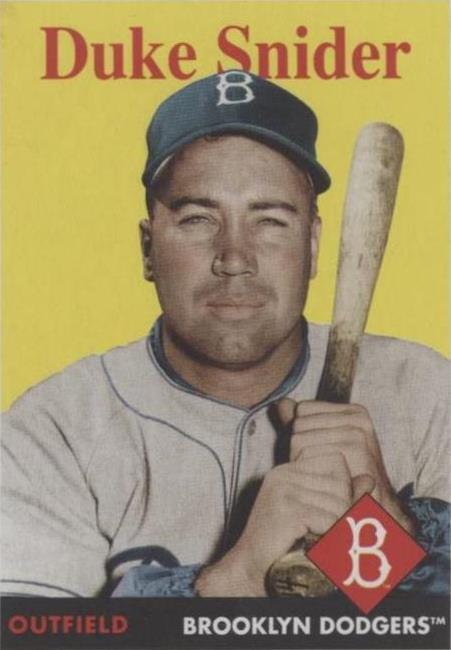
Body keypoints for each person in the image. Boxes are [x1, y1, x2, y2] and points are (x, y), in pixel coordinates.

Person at [1, 71, 449, 599]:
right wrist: (235, 580)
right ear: (148, 249)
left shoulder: (425, 395)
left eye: (270, 221)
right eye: (197, 219)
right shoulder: (55, 432)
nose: (235, 258)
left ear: (313, 246)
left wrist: (390, 528)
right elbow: (30, 632)